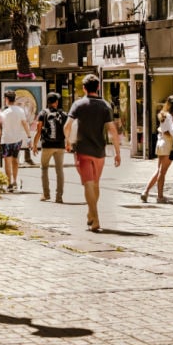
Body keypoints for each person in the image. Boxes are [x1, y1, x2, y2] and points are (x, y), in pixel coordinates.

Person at [64, 74, 121, 232]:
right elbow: (112, 130)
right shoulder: (105, 106)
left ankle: (95, 218)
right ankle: (91, 213)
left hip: (82, 150)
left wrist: (68, 141)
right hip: (99, 152)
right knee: (95, 184)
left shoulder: (78, 104)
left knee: (88, 184)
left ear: (84, 88)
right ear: (98, 87)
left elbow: (67, 126)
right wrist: (117, 152)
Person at [141, 96, 173, 203]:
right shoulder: (170, 117)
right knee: (162, 172)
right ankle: (160, 196)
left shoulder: (163, 115)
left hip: (160, 143)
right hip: (167, 145)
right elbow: (172, 132)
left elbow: (164, 130)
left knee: (158, 170)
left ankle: (146, 191)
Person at [32, 92, 67, 202]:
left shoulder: (43, 113)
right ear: (56, 102)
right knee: (59, 170)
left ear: (48, 102)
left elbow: (38, 131)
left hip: (47, 145)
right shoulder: (63, 114)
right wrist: (68, 143)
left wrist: (34, 145)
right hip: (60, 146)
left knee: (44, 168)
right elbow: (66, 130)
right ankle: (59, 196)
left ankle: (46, 194)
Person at [0, 90, 30, 191]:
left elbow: (0, 127)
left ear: (7, 99)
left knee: (7, 162)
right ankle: (15, 180)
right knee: (15, 161)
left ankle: (9, 183)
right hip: (17, 139)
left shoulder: (4, 112)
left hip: (6, 140)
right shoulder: (20, 111)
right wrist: (29, 136)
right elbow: (25, 123)